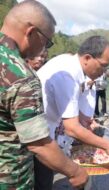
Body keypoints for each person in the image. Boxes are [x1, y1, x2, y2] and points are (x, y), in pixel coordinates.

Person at [0, 1, 88, 189]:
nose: (44, 49)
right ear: (31, 32)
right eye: (46, 41)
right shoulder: (21, 76)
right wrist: (75, 172)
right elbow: (39, 145)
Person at [37, 35, 109, 188]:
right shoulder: (67, 75)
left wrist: (83, 117)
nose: (104, 71)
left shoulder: (69, 64)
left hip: (45, 132)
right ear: (87, 58)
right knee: (42, 182)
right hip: (38, 137)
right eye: (103, 65)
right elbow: (72, 129)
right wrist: (108, 146)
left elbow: (65, 103)